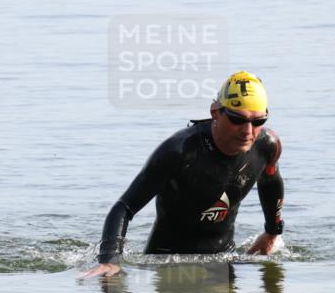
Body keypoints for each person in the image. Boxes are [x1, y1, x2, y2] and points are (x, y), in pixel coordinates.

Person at [83, 71, 285, 278]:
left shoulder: (268, 146)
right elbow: (124, 208)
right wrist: (110, 260)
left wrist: (272, 232)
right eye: (237, 119)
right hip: (167, 262)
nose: (248, 131)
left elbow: (271, 182)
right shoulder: (179, 151)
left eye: (258, 121)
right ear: (215, 112)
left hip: (224, 259)